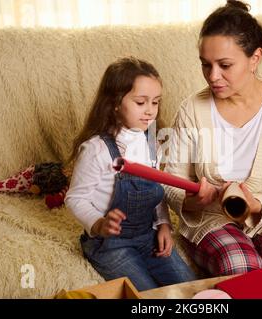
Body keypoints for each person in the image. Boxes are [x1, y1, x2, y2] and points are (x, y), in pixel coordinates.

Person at [163, 0, 262, 276]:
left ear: (255, 58)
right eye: (205, 65)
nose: (213, 76)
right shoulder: (191, 109)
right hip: (213, 219)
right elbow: (171, 182)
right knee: (242, 269)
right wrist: (190, 201)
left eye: (224, 65)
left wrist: (259, 206)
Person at [65, 57, 196, 291]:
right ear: (115, 103)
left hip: (147, 235)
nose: (150, 111)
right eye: (140, 102)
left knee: (190, 289)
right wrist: (98, 223)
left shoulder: (152, 141)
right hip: (110, 244)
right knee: (146, 294)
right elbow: (75, 198)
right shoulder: (97, 149)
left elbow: (154, 191)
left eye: (155, 102)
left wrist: (164, 225)